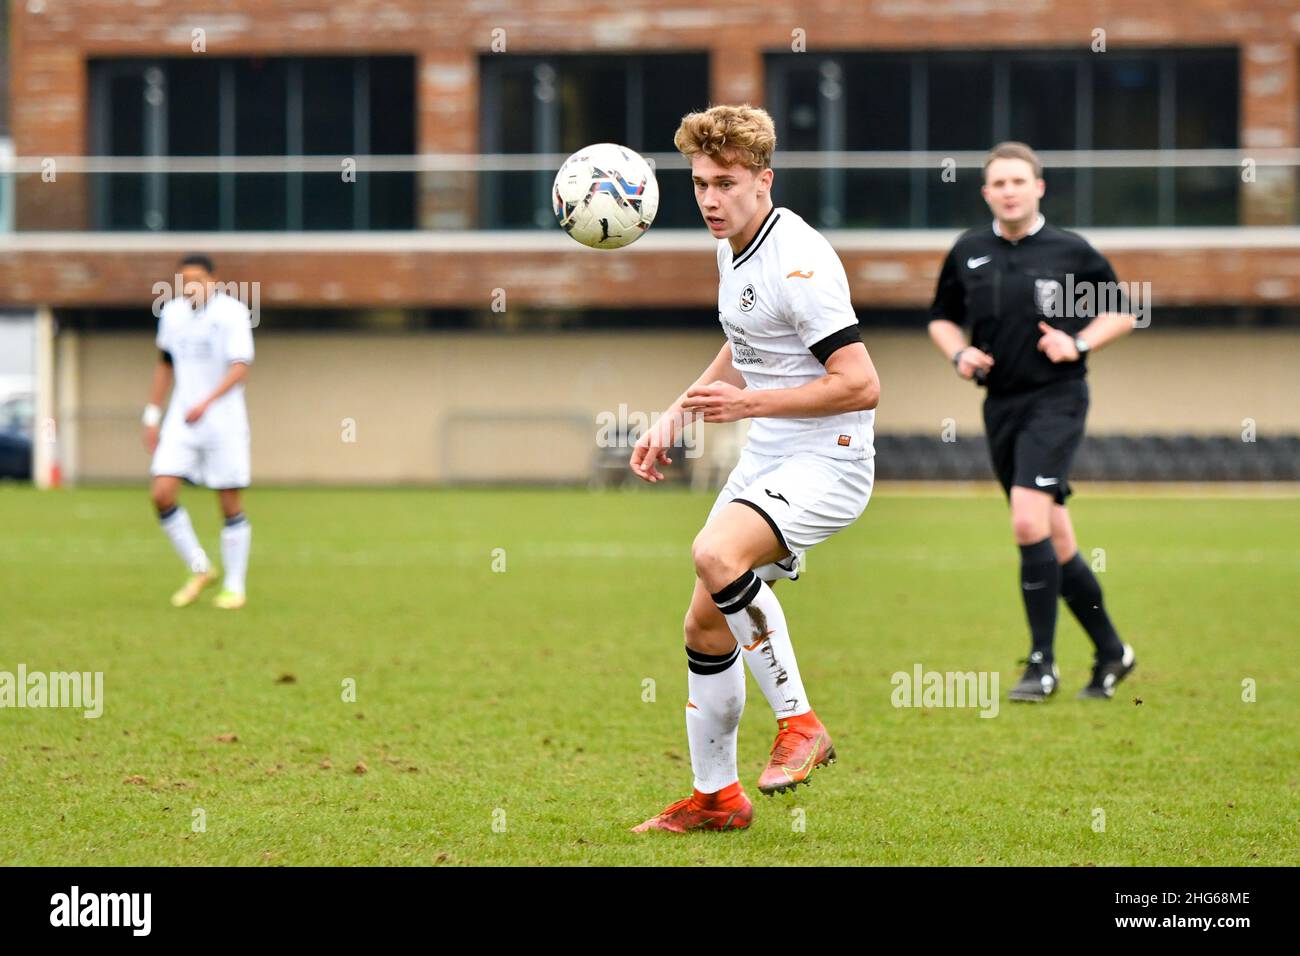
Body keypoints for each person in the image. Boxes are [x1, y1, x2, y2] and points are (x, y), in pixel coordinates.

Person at [629, 105, 881, 833]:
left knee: (714, 553)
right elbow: (745, 341)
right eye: (700, 184)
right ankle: (717, 799)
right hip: (773, 453)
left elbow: (861, 383)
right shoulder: (732, 243)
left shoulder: (797, 261)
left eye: (727, 184)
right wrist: (677, 412)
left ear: (763, 181)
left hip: (828, 461)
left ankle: (801, 723)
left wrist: (751, 407)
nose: (710, 200)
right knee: (705, 625)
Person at [927, 141, 1137, 702]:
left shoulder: (1072, 251)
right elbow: (942, 319)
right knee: (1056, 538)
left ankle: (1041, 665)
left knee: (1026, 522)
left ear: (1038, 187)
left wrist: (1078, 341)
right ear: (986, 192)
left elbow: (1120, 310)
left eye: (1019, 181)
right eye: (999, 183)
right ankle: (1113, 651)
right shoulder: (969, 251)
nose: (1009, 190)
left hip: (1058, 399)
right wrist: (960, 355)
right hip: (1000, 405)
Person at [143, 254, 254, 610]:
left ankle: (234, 587)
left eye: (197, 279)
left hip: (223, 420)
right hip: (181, 420)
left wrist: (207, 401)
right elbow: (165, 366)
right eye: (184, 279)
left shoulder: (233, 313)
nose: (190, 285)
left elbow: (240, 367)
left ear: (213, 280)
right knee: (161, 493)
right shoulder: (172, 314)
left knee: (228, 501)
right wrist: (152, 415)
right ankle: (200, 567)